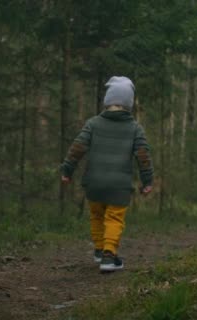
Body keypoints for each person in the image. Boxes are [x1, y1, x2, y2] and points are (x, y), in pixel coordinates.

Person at [60, 76, 154, 272]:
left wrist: (67, 170)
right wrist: (147, 181)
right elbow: (143, 156)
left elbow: (77, 148)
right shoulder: (135, 128)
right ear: (129, 103)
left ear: (108, 101)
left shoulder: (93, 124)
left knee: (96, 215)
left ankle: (99, 249)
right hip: (119, 185)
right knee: (114, 218)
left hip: (93, 183)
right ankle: (109, 256)